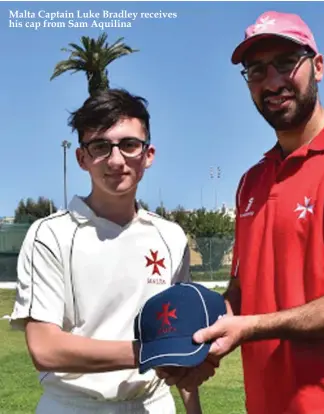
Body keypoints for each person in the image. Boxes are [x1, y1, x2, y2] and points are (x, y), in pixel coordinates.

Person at [158, 10, 324, 414]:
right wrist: (201, 346)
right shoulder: (251, 182)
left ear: (318, 66)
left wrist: (252, 327)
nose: (272, 82)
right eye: (256, 71)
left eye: (284, 63)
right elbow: (242, 294)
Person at [9, 89, 202, 414]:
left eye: (129, 144)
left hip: (153, 404)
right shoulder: (51, 235)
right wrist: (149, 352)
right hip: (73, 405)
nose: (115, 160)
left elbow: (178, 338)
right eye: (100, 146)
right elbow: (45, 348)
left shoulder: (170, 237)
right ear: (82, 158)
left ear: (148, 154)